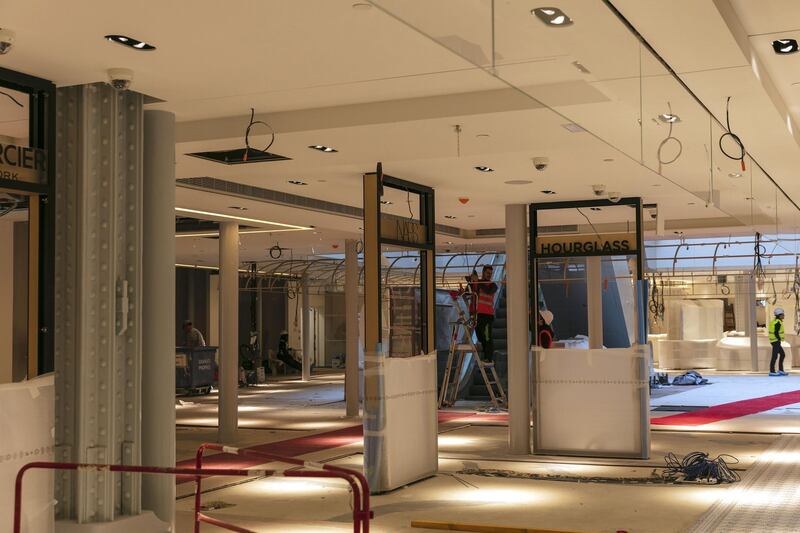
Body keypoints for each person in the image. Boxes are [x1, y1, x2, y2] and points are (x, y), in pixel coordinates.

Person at [474, 265, 498, 363]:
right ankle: (485, 354)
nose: (489, 275)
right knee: (480, 335)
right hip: (479, 314)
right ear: (483, 272)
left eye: (490, 273)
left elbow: (487, 291)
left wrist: (477, 282)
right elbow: (472, 291)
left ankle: (489, 357)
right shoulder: (479, 284)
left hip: (488, 315)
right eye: (487, 273)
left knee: (488, 336)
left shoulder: (493, 285)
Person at [769, 308, 788, 376]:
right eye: (783, 314)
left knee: (782, 354)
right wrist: (779, 338)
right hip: (776, 341)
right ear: (779, 315)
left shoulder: (775, 321)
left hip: (774, 341)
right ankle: (772, 371)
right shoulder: (778, 322)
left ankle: (780, 370)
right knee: (774, 356)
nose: (784, 315)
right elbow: (776, 332)